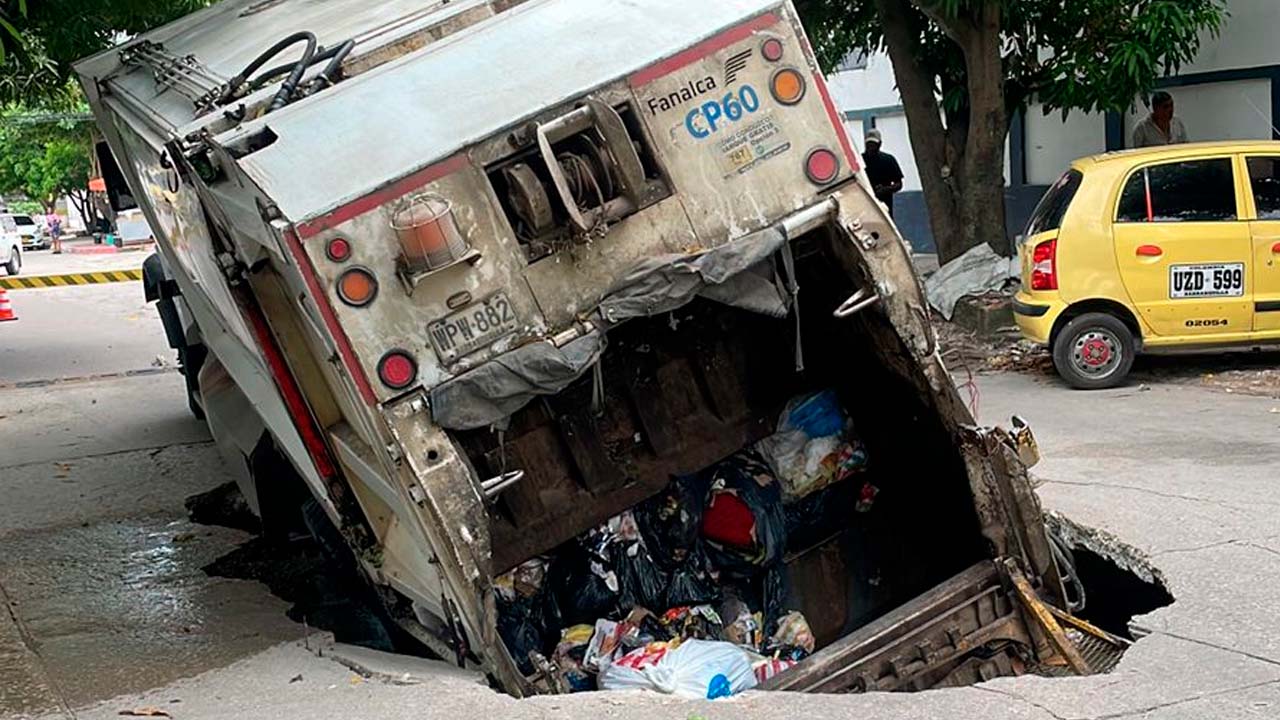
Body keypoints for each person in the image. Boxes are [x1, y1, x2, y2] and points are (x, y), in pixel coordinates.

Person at [862, 128, 904, 217]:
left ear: (880, 144)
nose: (871, 147)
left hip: (884, 206)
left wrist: (886, 189)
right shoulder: (859, 161)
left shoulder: (888, 160)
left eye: (874, 144)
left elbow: (899, 184)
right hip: (864, 206)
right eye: (869, 144)